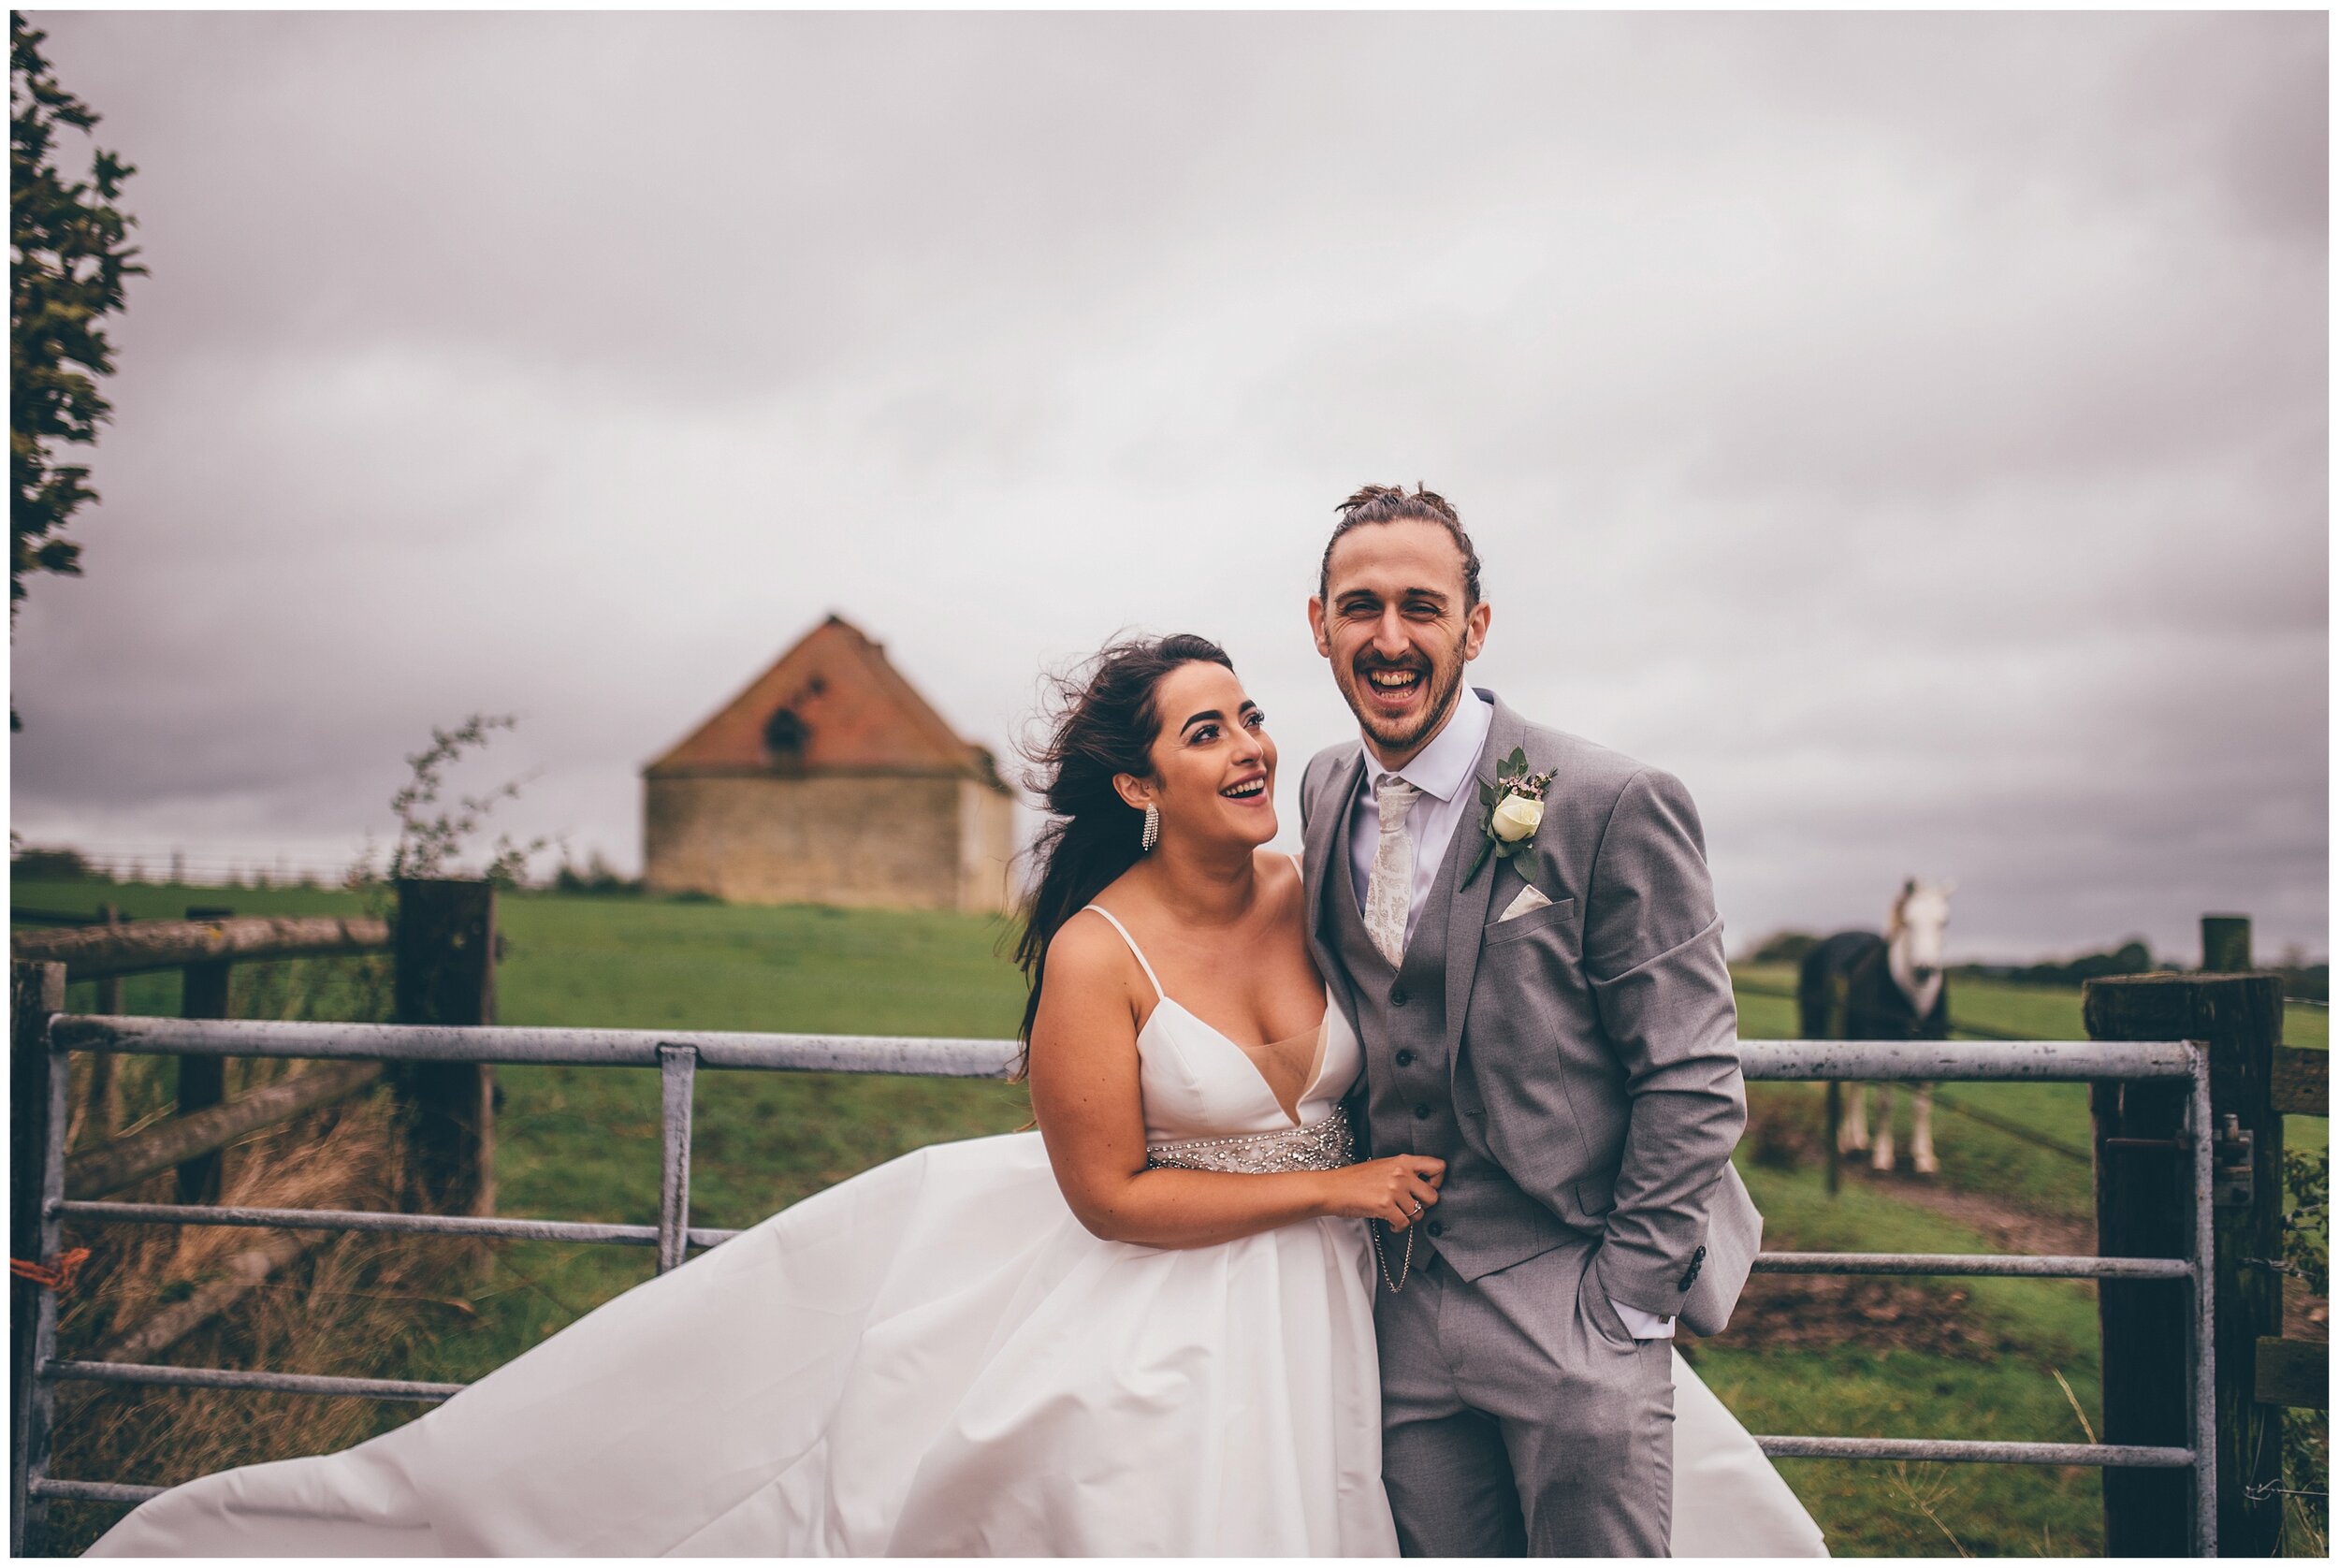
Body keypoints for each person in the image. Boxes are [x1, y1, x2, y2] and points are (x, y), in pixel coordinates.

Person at [88, 629, 1819, 1557]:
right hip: (1182, 1287)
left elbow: (1478, 1036)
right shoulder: (1097, 957)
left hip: (1371, 1299)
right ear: (1142, 782)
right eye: (1209, 732)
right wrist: (1331, 1189)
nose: (1249, 751)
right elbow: (1110, 1194)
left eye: (1248, 720)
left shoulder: (1335, 881)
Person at [1300, 482, 1809, 1555]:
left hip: (1571, 1299)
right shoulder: (1321, 787)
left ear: (1474, 626)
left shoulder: (1609, 801)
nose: (1389, 639)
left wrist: (1624, 1309)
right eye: (1360, 607)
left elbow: (1693, 1076)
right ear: (1320, 625)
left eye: (1420, 606)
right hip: (1395, 1307)